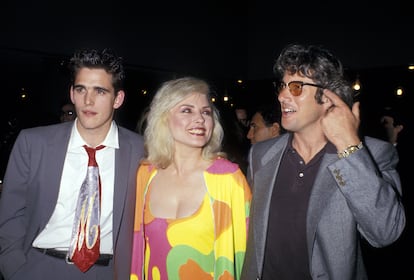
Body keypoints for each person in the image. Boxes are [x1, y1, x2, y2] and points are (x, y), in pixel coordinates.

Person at [241, 44, 406, 280]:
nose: (281, 96)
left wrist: (350, 146)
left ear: (328, 98)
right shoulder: (261, 154)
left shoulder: (371, 154)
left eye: (296, 87)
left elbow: (385, 232)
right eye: (282, 86)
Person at [0, 48, 145, 280]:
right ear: (72, 93)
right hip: (38, 268)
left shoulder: (142, 151)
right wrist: (16, 269)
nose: (88, 100)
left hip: (109, 272)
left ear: (118, 99)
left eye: (100, 91)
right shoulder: (33, 143)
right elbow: (9, 215)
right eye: (81, 89)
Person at [130, 76, 252, 280]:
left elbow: (242, 258)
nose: (200, 119)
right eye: (187, 110)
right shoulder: (146, 174)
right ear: (163, 118)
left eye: (205, 112)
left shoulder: (228, 179)